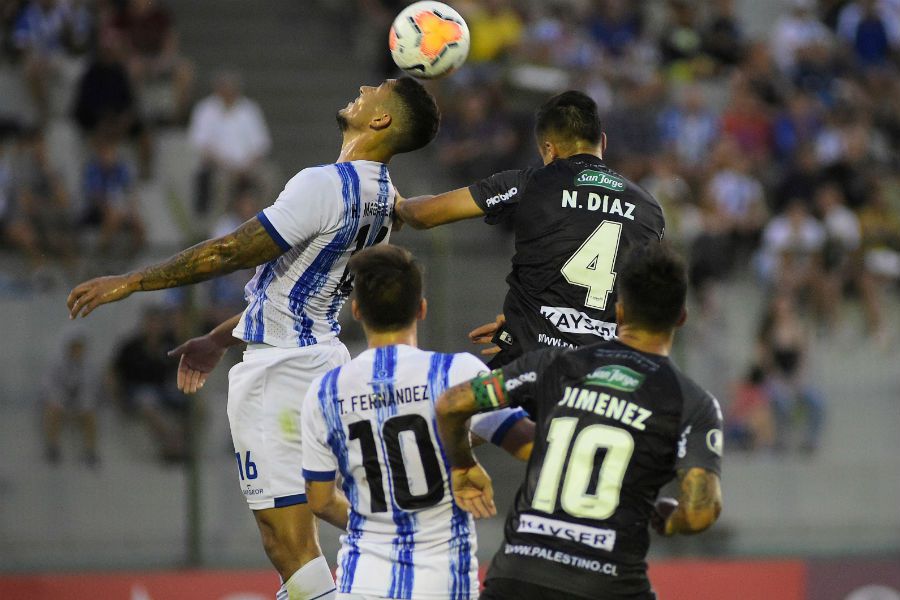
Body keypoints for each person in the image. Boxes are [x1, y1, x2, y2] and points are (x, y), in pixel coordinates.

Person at [66, 77, 441, 600]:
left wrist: (129, 281)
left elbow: (228, 252)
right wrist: (223, 337)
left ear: (382, 120)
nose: (362, 85)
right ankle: (416, 550)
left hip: (280, 374)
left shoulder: (324, 184)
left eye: (377, 89)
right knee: (308, 526)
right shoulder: (385, 200)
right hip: (322, 359)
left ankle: (420, 553)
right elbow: (296, 288)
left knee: (287, 545)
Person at [435, 243, 723, 600]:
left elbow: (451, 404)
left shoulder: (554, 364)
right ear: (681, 315)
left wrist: (463, 463)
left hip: (517, 576)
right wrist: (672, 518)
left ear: (618, 311)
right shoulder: (693, 403)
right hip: (608, 585)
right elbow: (700, 512)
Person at [301, 245, 533, 599]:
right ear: (421, 308)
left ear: (357, 309)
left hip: (361, 582)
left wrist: (381, 525)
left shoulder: (324, 392)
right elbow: (530, 445)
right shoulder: (457, 373)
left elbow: (319, 501)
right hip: (443, 584)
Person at [396, 90, 665, 367]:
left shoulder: (532, 183)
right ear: (603, 143)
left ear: (548, 149)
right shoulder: (650, 210)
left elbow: (425, 215)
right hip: (603, 374)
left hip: (531, 364)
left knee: (457, 403)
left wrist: (397, 202)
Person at [42, 332, 99, 466]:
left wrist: (81, 407)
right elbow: (49, 387)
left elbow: (90, 390)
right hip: (59, 403)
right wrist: (60, 404)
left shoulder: (89, 367)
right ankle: (52, 448)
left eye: (79, 347)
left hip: (80, 405)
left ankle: (90, 451)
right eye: (74, 347)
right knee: (52, 411)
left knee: (90, 415)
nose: (76, 351)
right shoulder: (56, 365)